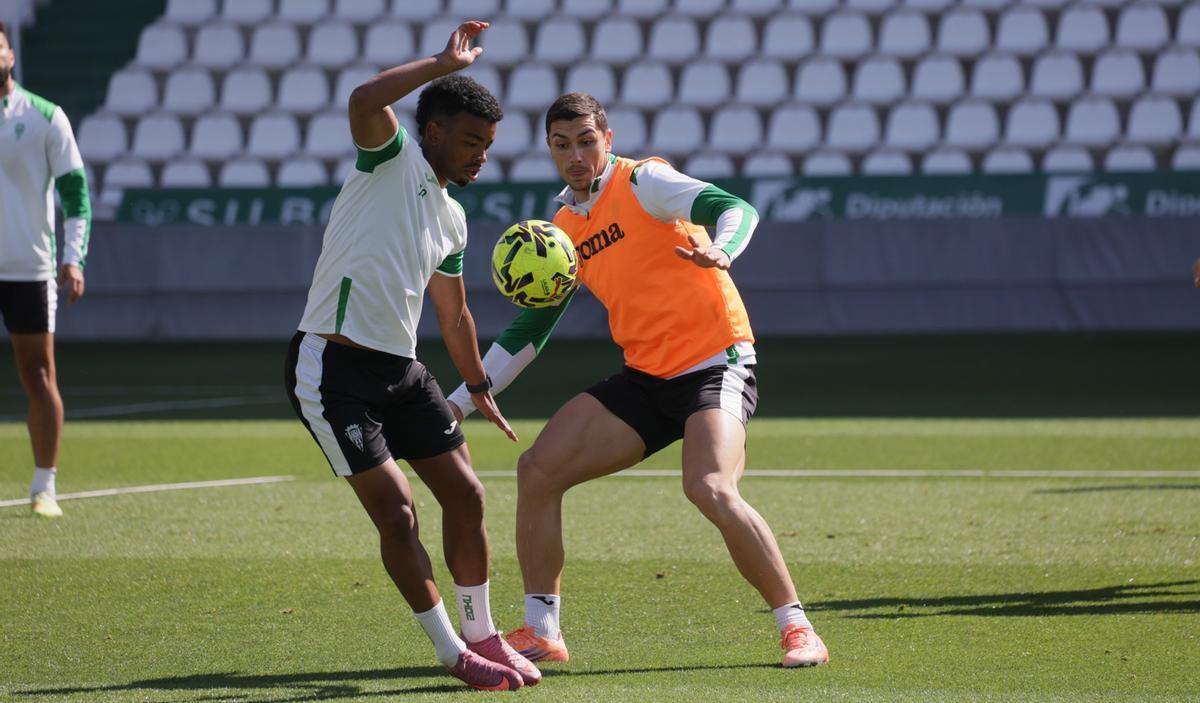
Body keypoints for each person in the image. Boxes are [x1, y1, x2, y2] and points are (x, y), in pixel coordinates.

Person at [446, 92, 829, 669]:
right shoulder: (565, 226)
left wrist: (722, 251)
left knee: (709, 486)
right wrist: (460, 403)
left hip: (714, 364)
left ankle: (797, 627)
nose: (575, 155)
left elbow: (736, 207)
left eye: (585, 141)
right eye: (560, 145)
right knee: (538, 469)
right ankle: (542, 629)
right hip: (646, 377)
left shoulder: (645, 181)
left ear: (608, 139)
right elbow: (532, 328)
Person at [282, 21, 539, 691]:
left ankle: (484, 632)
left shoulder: (452, 217)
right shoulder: (389, 158)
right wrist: (441, 63)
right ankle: (452, 651)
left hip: (402, 371)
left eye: (488, 144)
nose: (482, 155)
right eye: (471, 141)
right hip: (332, 371)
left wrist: (479, 381)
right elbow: (365, 99)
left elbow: (453, 312)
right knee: (398, 512)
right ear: (433, 131)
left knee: (467, 494)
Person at [0, 20, 91, 519]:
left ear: (11, 54)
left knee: (38, 374)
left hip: (28, 268)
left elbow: (76, 194)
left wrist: (72, 257)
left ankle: (44, 486)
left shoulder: (44, 117)